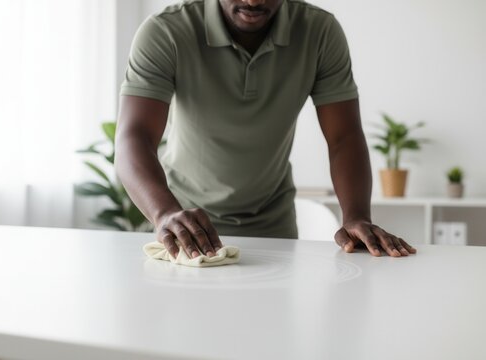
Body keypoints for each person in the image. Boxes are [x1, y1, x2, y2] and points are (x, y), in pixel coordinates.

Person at [115, 0, 417, 259]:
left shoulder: (319, 32)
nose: (253, 0)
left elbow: (344, 137)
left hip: (273, 228)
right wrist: (165, 213)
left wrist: (356, 217)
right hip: (182, 222)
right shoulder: (166, 31)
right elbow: (134, 136)